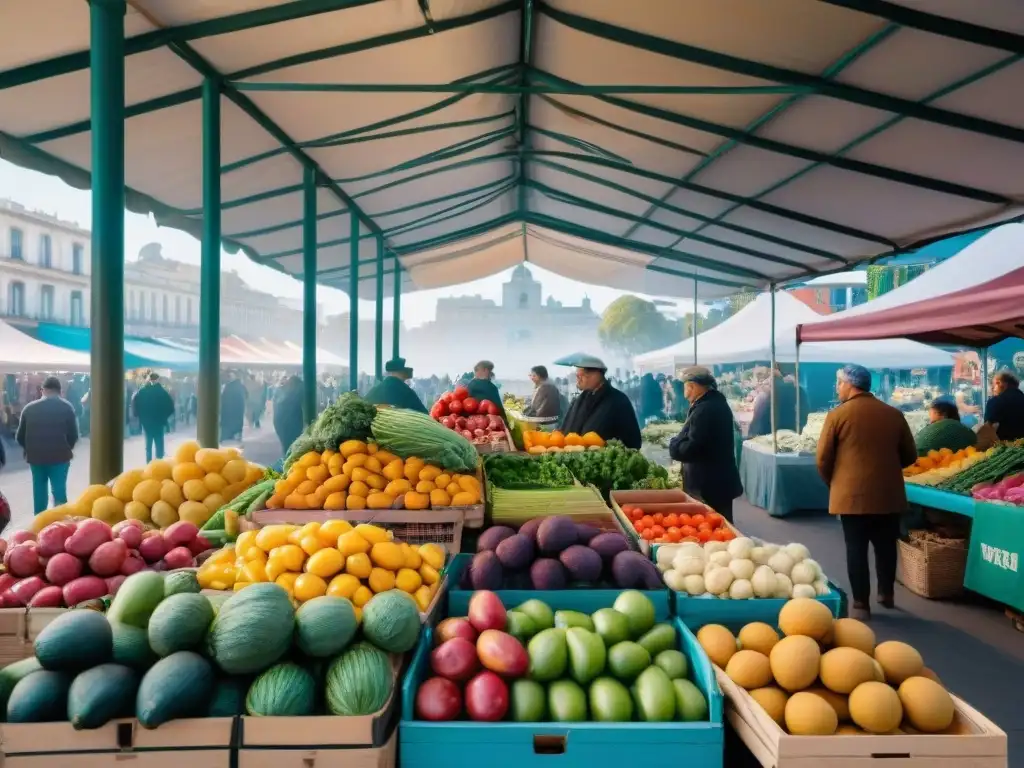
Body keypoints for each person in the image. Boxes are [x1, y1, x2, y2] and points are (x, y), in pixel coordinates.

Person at [816, 365, 917, 620]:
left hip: (851, 496)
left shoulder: (837, 415)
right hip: (888, 494)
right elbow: (910, 455)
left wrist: (836, 483)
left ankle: (861, 603)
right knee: (886, 545)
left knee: (856, 548)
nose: (837, 388)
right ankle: (886, 594)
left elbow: (822, 459)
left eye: (839, 383)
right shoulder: (893, 414)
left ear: (850, 384)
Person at [667, 366, 743, 522]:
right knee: (721, 523)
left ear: (692, 386)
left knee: (715, 525)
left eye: (684, 387)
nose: (684, 392)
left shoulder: (705, 410)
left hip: (709, 484)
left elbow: (693, 447)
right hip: (717, 481)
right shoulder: (713, 403)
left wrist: (674, 446)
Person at [15, 376, 79, 515]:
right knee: (59, 491)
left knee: (39, 491)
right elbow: (73, 435)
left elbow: (19, 437)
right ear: (59, 391)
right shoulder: (67, 407)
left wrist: (30, 449)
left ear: (42, 390)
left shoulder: (29, 408)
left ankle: (39, 525)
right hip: (60, 457)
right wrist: (66, 447)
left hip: (36, 458)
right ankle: (61, 524)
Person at [561, 355, 642, 449]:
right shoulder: (579, 399)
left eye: (580, 376)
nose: (578, 380)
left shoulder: (618, 401)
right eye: (577, 376)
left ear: (596, 374)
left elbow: (632, 441)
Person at [747, 366, 810, 439]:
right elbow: (804, 418)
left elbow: (754, 430)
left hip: (766, 440)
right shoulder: (799, 392)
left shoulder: (763, 397)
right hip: (791, 437)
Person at [132, 372, 175, 462]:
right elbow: (170, 407)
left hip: (146, 422)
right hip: (159, 422)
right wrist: (164, 417)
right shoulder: (162, 392)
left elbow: (135, 405)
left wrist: (141, 416)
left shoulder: (142, 391)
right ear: (158, 380)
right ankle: (159, 464)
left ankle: (148, 465)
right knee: (159, 444)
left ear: (148, 379)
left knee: (148, 444)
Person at [363, 358, 428, 413]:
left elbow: (363, 407)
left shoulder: (376, 389)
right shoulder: (405, 391)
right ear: (401, 372)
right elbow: (423, 413)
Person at [984, 370, 1024, 441]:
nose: (992, 388)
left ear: (1000, 383)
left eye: (993, 385)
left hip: (1004, 449)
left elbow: (987, 429)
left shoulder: (996, 401)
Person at [273, 376, 306, 455]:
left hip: (279, 420)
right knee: (291, 445)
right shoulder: (299, 390)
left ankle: (287, 459)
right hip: (291, 421)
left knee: (287, 445)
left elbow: (275, 402)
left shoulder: (283, 390)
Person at [220, 372, 247, 443]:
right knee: (236, 425)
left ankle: (226, 437)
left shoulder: (228, 386)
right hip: (238, 411)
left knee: (227, 426)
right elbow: (246, 396)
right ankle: (236, 437)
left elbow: (223, 398)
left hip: (227, 410)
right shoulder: (241, 386)